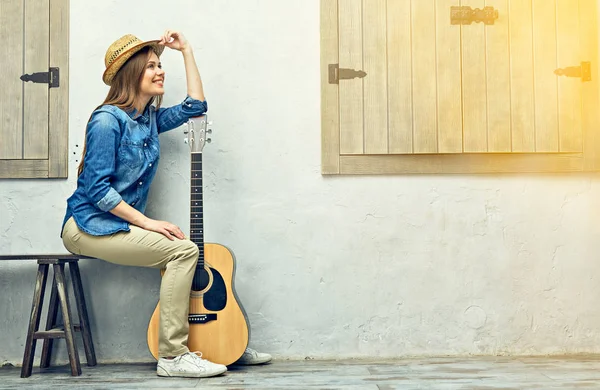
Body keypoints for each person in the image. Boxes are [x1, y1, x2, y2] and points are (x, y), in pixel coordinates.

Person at [61, 31, 271, 378]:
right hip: (87, 226)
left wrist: (187, 50)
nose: (161, 72)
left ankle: (221, 342)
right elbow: (96, 190)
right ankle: (173, 357)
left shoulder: (147, 121)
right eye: (152, 67)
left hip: (118, 224)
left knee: (185, 250)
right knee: (185, 251)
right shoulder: (106, 121)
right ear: (131, 74)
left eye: (161, 65)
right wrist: (149, 222)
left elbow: (196, 108)